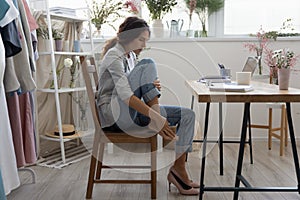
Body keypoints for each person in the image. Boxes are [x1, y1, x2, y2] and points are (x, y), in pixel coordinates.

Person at [97, 16, 199, 195]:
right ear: (129, 36)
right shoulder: (114, 55)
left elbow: (133, 91)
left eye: (146, 41)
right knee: (148, 63)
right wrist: (157, 116)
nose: (144, 45)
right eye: (141, 40)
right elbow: (126, 95)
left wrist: (150, 86)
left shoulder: (130, 57)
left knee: (188, 115)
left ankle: (178, 170)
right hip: (114, 117)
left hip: (129, 113)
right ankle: (156, 118)